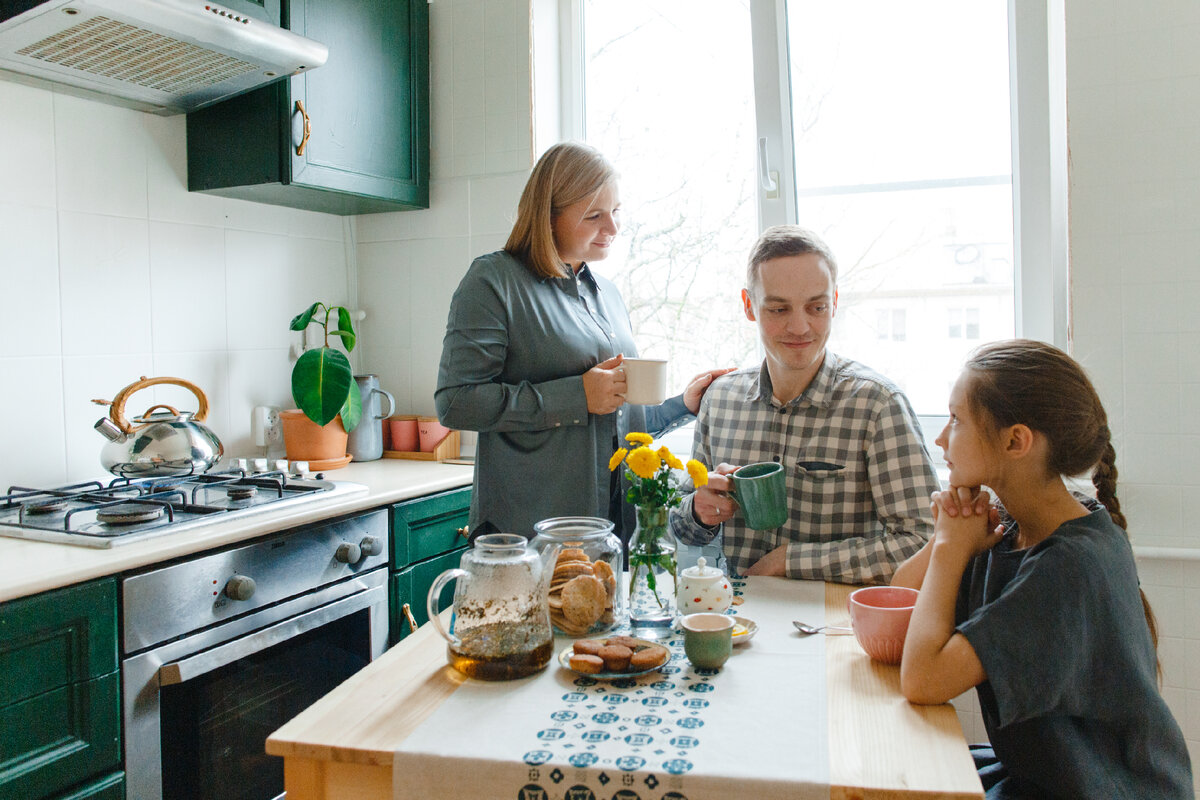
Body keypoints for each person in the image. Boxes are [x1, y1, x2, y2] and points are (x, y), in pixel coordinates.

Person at [893, 339, 1192, 799]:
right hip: (1045, 777)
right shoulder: (1016, 527)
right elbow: (901, 595)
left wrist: (953, 549)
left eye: (956, 420)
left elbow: (922, 680)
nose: (940, 438)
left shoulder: (1067, 567)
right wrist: (946, 538)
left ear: (1016, 441)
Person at [436, 142, 732, 542]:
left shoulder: (606, 294)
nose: (613, 228)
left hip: (614, 531)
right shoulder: (493, 282)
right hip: (529, 535)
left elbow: (617, 420)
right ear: (549, 217)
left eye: (616, 212)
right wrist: (577, 397)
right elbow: (456, 403)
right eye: (594, 215)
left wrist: (683, 404)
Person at [670, 225, 940, 584]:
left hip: (835, 623)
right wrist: (698, 512)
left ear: (835, 303)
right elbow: (684, 529)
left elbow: (923, 543)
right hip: (743, 616)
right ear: (749, 306)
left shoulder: (877, 404)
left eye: (817, 307)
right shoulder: (720, 399)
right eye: (779, 309)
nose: (800, 327)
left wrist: (791, 560)